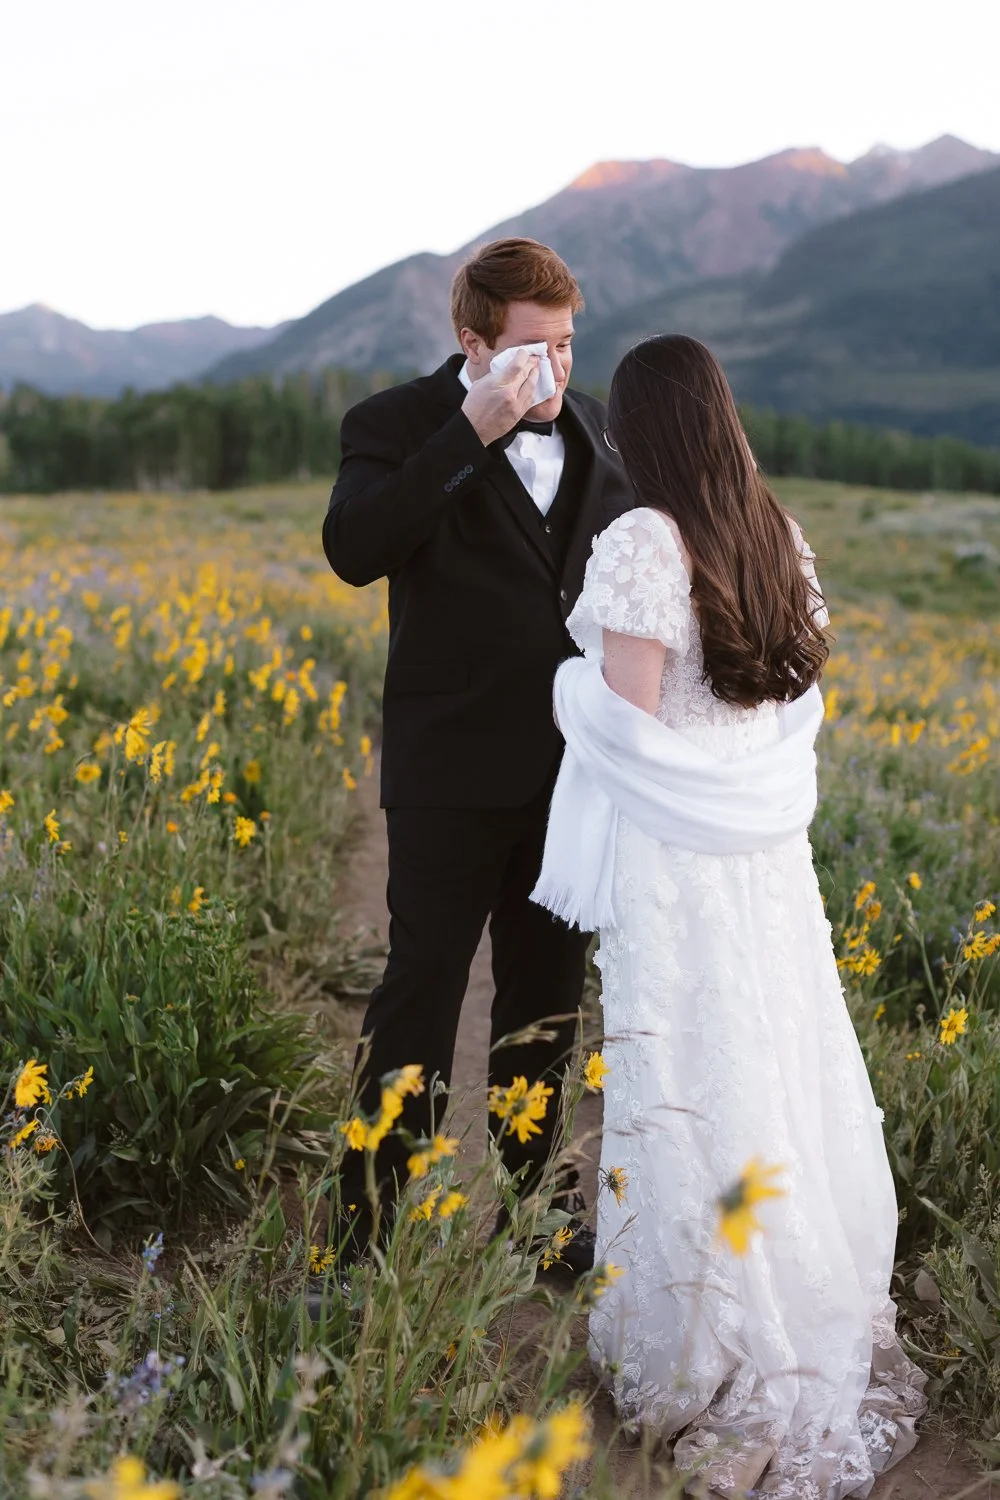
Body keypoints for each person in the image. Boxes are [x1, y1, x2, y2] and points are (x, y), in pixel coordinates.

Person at [531, 336, 927, 1495]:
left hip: (678, 859)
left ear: (637, 430)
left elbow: (627, 726)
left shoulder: (646, 539)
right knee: (774, 1052)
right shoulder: (772, 529)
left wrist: (564, 683)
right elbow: (777, 703)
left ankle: (713, 1341)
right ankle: (789, 1295)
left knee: (689, 1067)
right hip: (760, 852)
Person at [322, 237, 632, 1272]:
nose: (557, 369)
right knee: (421, 993)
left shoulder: (594, 430)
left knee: (546, 1002)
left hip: (570, 781)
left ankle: (541, 1221)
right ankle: (368, 1233)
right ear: (472, 343)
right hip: (449, 774)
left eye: (568, 344)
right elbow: (355, 551)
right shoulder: (393, 424)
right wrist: (468, 433)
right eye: (533, 351)